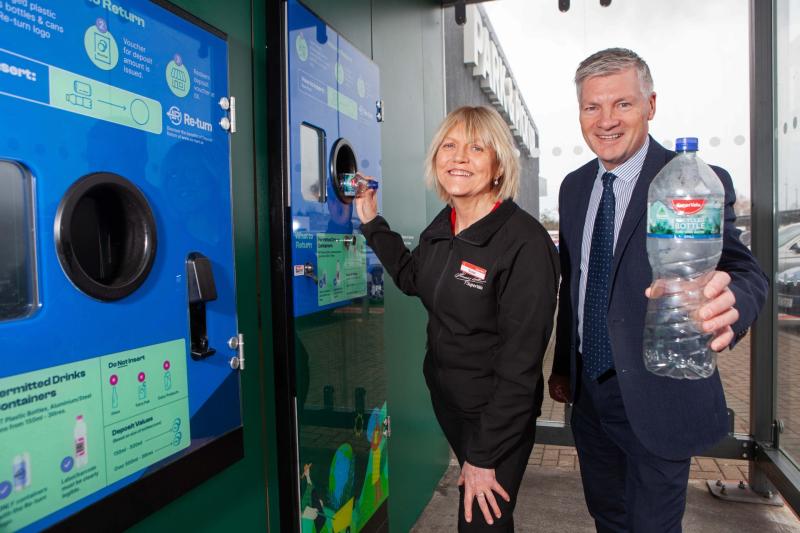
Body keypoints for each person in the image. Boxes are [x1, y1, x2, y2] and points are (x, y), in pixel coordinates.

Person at [548, 48, 768, 532]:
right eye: (592, 107)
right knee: (606, 515)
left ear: (651, 105)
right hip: (591, 398)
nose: (606, 121)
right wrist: (565, 366)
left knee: (652, 525)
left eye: (622, 104)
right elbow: (577, 281)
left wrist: (735, 305)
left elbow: (745, 272)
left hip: (658, 394)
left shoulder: (690, 181)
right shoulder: (573, 187)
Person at [354, 105, 558, 531]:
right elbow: (414, 277)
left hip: (497, 415)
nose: (459, 157)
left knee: (481, 522)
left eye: (476, 147)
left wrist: (484, 455)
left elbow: (520, 365)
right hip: (451, 402)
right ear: (435, 159)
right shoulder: (445, 225)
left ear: (498, 165)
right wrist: (373, 223)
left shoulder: (524, 243)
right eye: (449, 145)